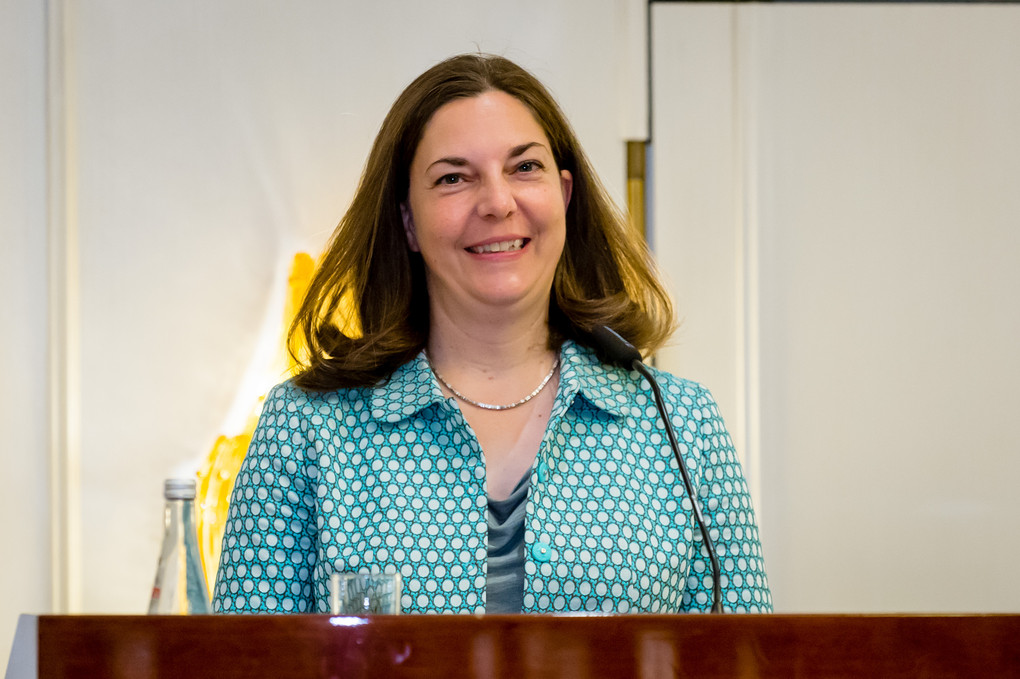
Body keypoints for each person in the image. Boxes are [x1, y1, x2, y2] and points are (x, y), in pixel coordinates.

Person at [212, 53, 771, 615]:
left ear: (565, 197)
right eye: (453, 178)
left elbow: (747, 655)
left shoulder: (683, 425)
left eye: (524, 168)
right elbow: (244, 658)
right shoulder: (305, 429)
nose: (498, 203)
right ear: (408, 221)